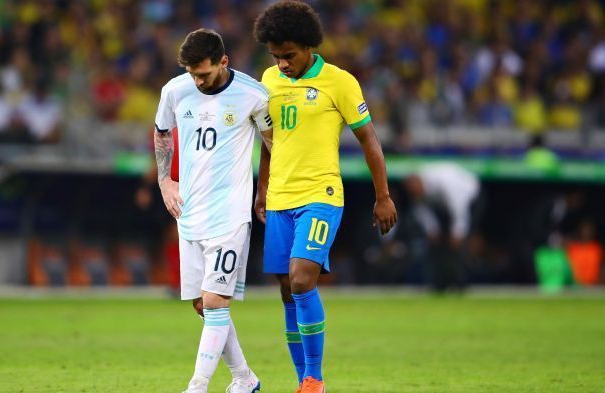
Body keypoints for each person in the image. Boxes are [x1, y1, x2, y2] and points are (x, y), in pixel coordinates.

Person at [253, 2, 398, 392]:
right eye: (276, 57)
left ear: (308, 46)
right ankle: (304, 382)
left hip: (321, 194)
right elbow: (268, 141)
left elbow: (369, 139)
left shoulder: (340, 82)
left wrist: (382, 196)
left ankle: (315, 377)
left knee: (302, 281)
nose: (282, 64)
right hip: (280, 198)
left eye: (289, 56)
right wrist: (263, 187)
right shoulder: (267, 80)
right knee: (286, 289)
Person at [154, 28, 272, 393]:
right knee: (202, 306)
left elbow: (273, 143)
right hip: (189, 213)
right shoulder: (174, 91)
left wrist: (265, 188)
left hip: (230, 215)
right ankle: (244, 378)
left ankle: (197, 386)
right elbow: (162, 132)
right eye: (191, 73)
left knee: (215, 301)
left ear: (224, 61)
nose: (197, 81)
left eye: (203, 74)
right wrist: (164, 181)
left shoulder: (253, 95)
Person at [404, 162, 481, 292]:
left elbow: (459, 208)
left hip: (470, 200)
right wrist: (432, 230)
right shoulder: (417, 192)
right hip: (442, 208)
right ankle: (440, 284)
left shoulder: (445, 183)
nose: (414, 193)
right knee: (436, 244)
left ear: (420, 183)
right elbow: (422, 210)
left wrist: (458, 233)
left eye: (415, 190)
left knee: (458, 245)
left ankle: (459, 284)